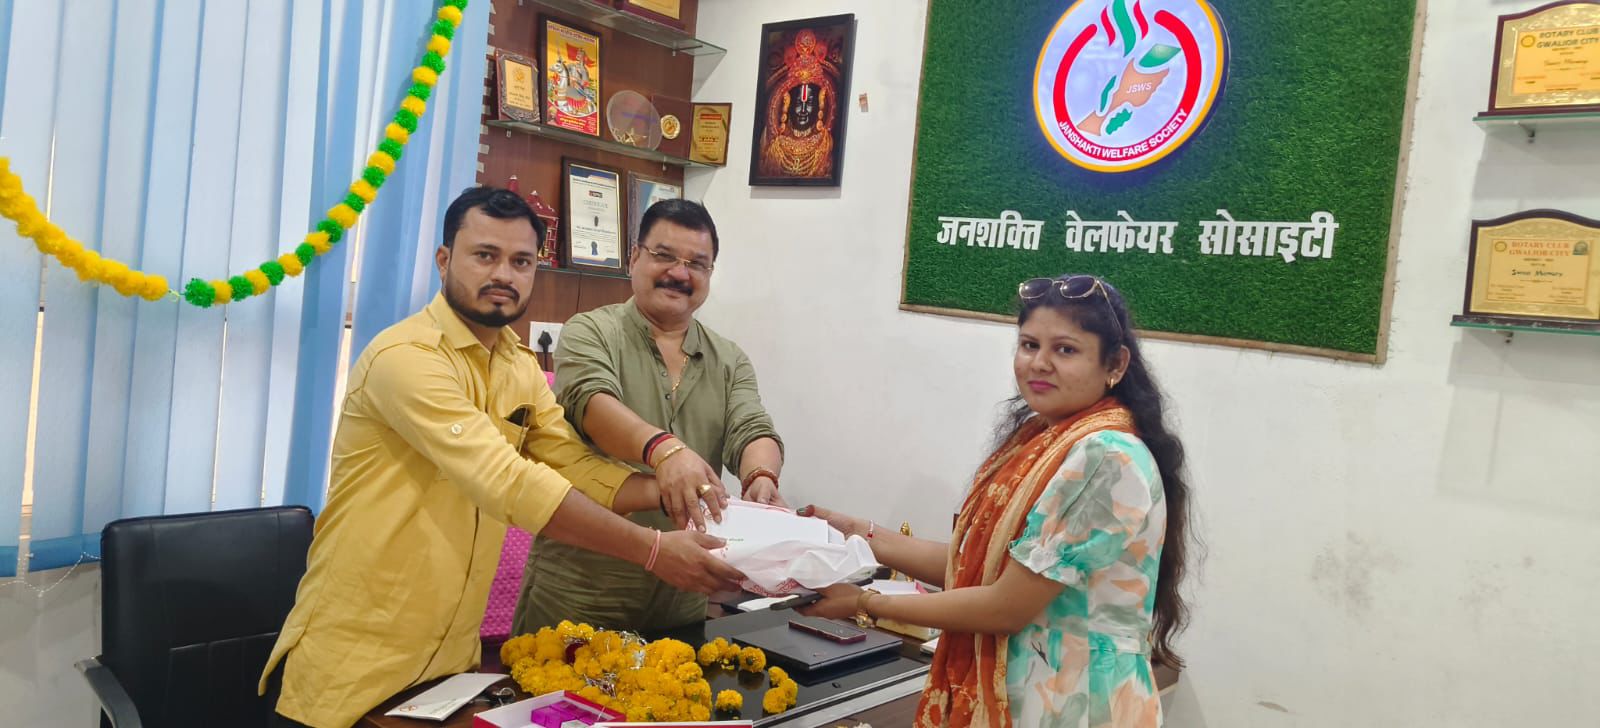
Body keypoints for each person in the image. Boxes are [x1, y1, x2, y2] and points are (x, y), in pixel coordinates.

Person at [258, 187, 742, 728]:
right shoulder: (406, 358)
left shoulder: (517, 366)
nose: (504, 275)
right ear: (444, 260)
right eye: (485, 256)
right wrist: (652, 549)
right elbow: (507, 481)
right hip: (354, 667)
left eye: (520, 261)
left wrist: (674, 489)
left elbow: (572, 463)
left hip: (449, 671)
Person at [799, 274, 1193, 728]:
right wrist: (857, 533)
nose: (1039, 363)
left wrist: (864, 603)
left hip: (1073, 700)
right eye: (1029, 345)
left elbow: (1005, 606)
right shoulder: (1042, 439)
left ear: (1116, 364)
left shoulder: (1106, 455)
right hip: (1032, 688)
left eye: (1065, 350)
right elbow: (978, 565)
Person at [512, 199, 787, 635]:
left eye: (697, 263)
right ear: (634, 257)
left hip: (683, 592)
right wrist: (665, 451)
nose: (680, 273)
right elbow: (592, 404)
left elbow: (750, 426)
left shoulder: (729, 359)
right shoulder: (591, 331)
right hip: (582, 587)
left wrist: (761, 477)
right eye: (665, 256)